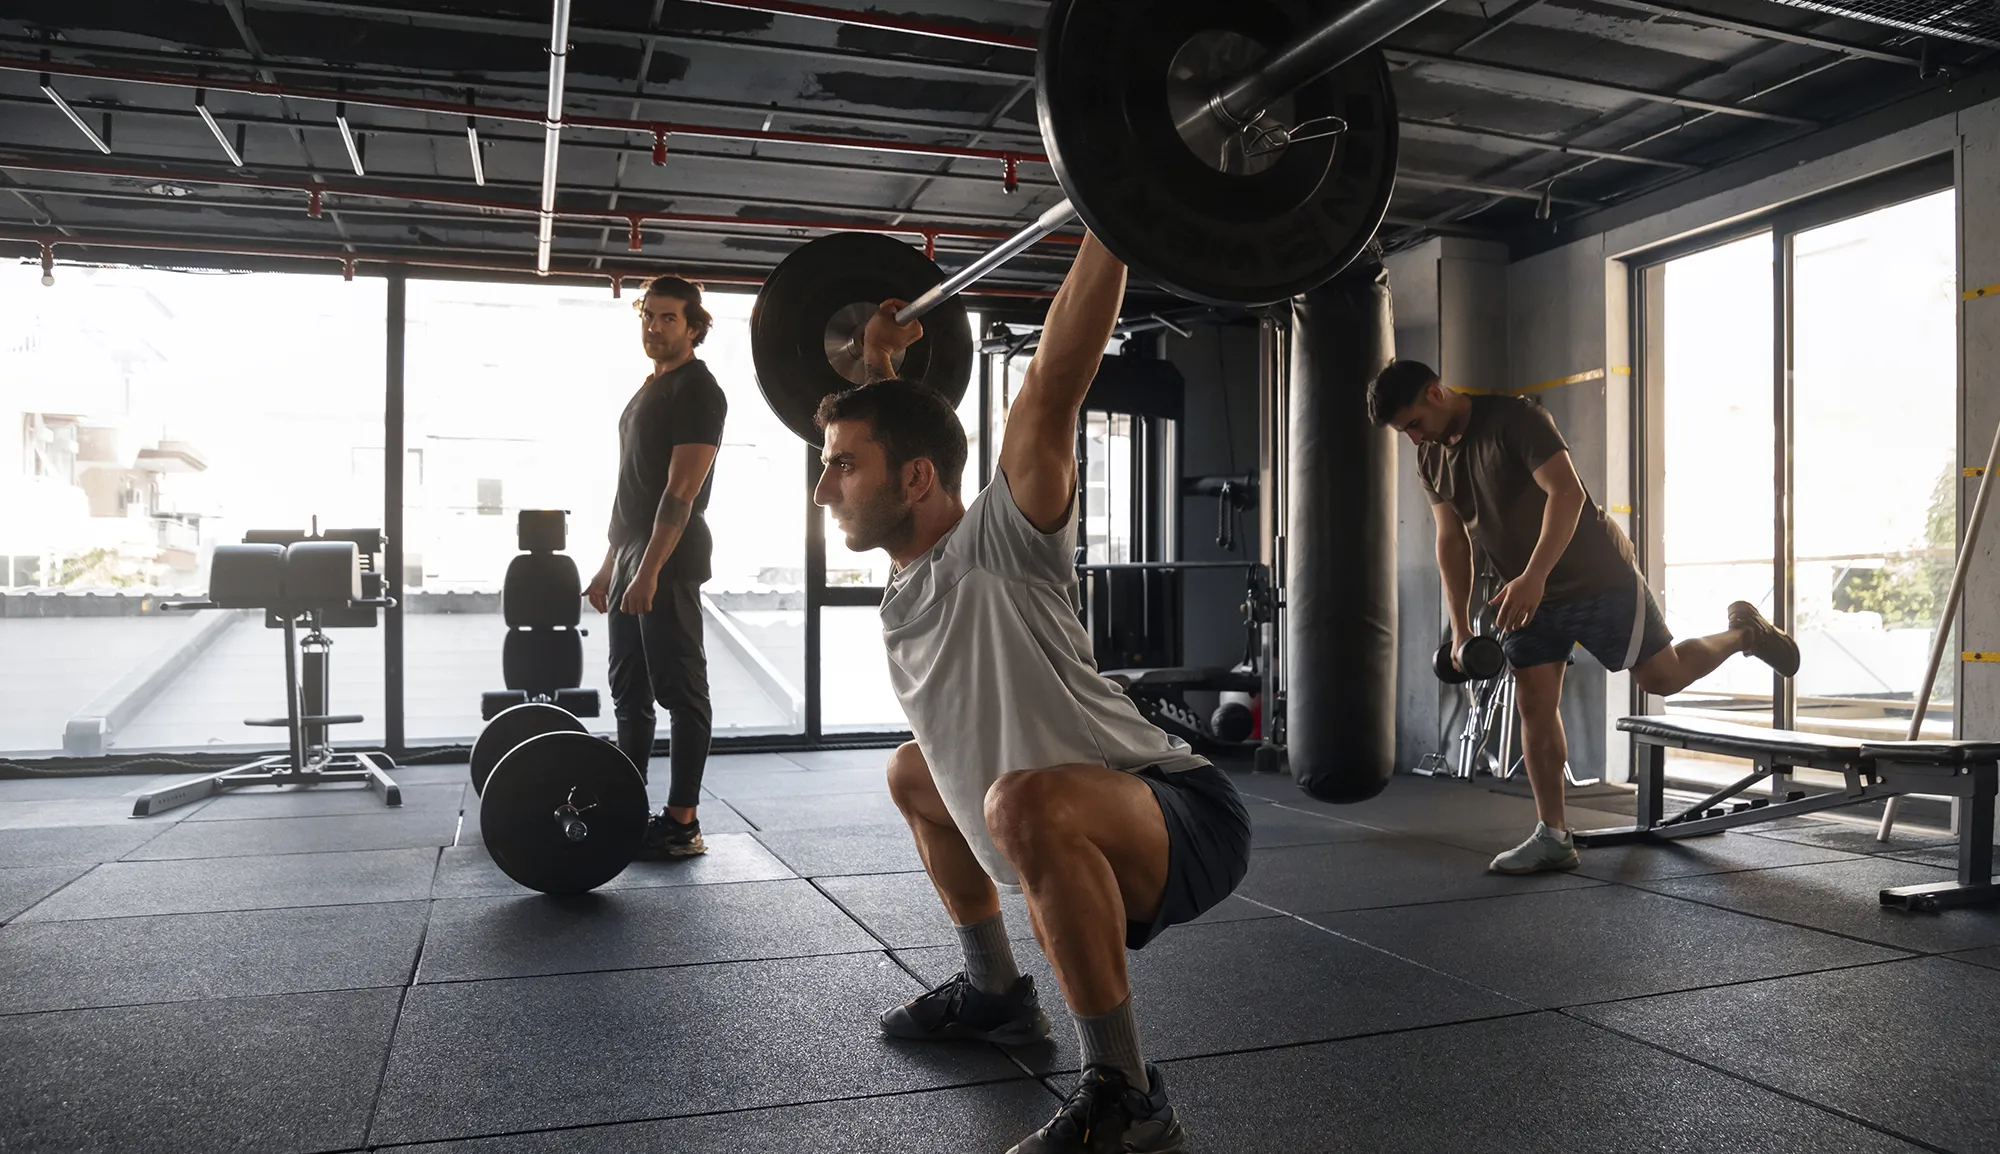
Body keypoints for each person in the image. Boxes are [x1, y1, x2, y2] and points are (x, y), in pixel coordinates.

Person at [813, 233, 1250, 1154]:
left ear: (918, 480)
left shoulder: (1003, 545)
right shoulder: (909, 573)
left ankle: (1128, 1093)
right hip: (1060, 806)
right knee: (911, 774)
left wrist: (1117, 213)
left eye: (842, 465)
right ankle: (998, 996)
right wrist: (884, 367)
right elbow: (910, 435)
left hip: (1181, 813)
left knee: (1022, 800)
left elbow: (1053, 379)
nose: (825, 488)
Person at [1369, 359, 1800, 874]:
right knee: (1535, 703)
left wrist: (1533, 576)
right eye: (1404, 432)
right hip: (1529, 594)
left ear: (1435, 394)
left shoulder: (1515, 420)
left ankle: (1743, 631)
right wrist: (1461, 627)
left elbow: (1567, 494)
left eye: (1413, 423)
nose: (1414, 438)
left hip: (1596, 576)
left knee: (1662, 678)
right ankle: (1553, 835)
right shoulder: (1432, 461)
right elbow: (1451, 541)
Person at [584, 274, 727, 859]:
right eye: (649, 315)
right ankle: (629, 806)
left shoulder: (698, 389)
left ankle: (682, 824)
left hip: (665, 562)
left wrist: (648, 572)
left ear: (694, 327)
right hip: (629, 560)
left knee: (681, 693)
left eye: (669, 318)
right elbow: (630, 495)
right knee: (630, 695)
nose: (655, 326)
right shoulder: (649, 388)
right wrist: (609, 565)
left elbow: (679, 492)